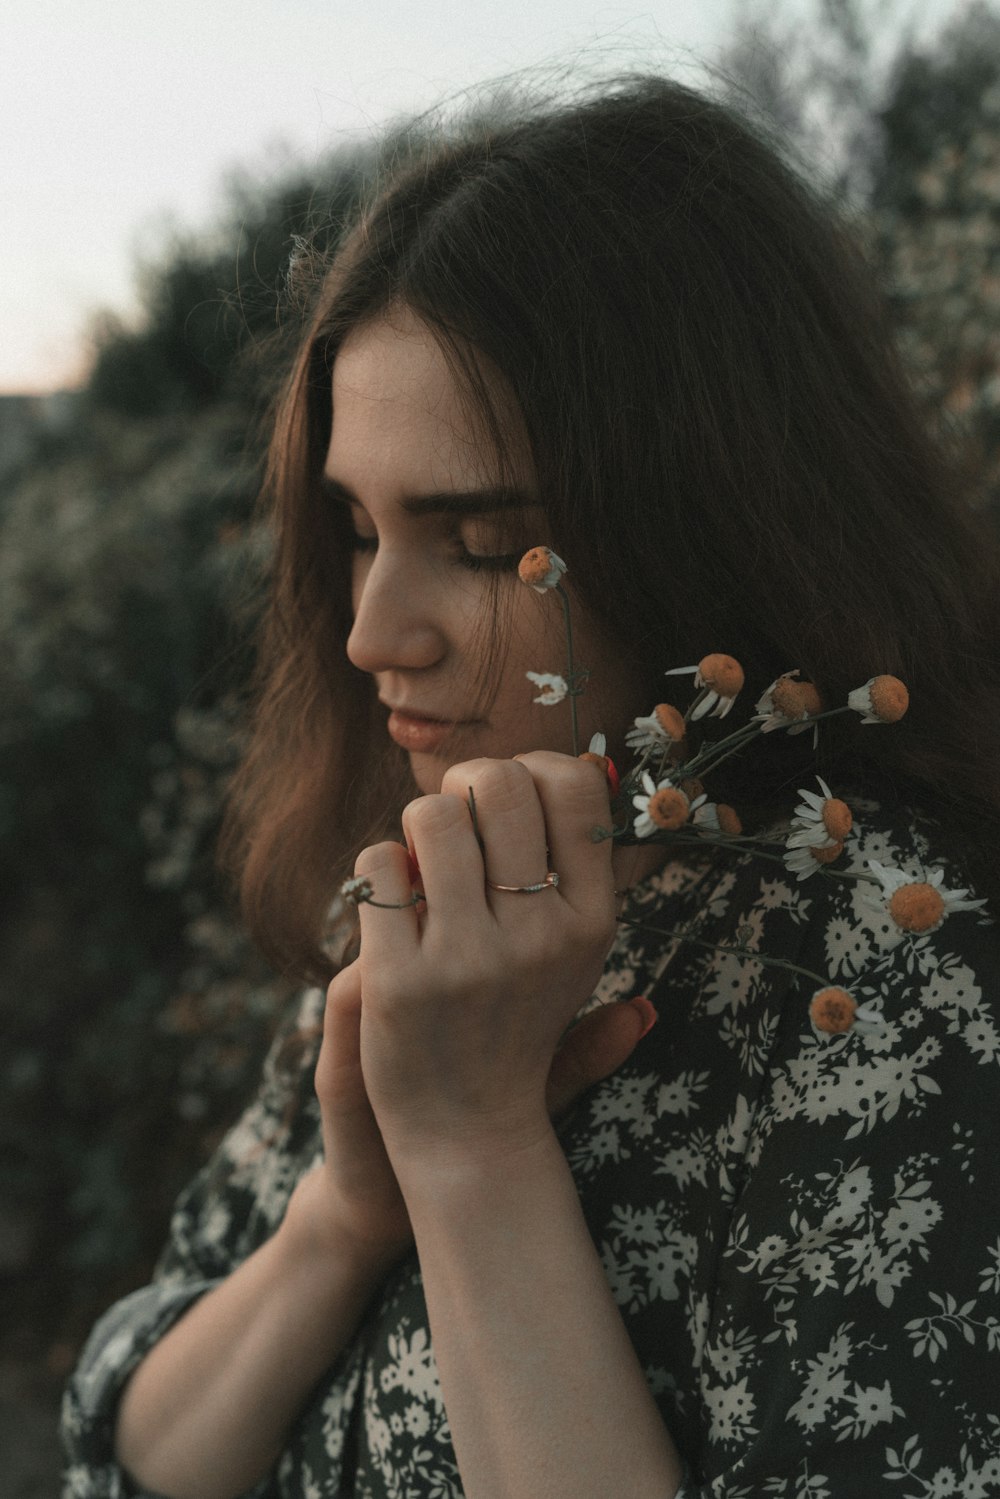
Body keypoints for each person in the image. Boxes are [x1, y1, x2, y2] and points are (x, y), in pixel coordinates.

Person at [62, 74, 1000, 1499]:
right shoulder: (430, 892)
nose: (374, 632)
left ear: (714, 514)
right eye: (359, 531)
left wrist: (473, 1149)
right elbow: (135, 1448)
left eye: (490, 543)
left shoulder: (902, 973)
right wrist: (343, 1217)